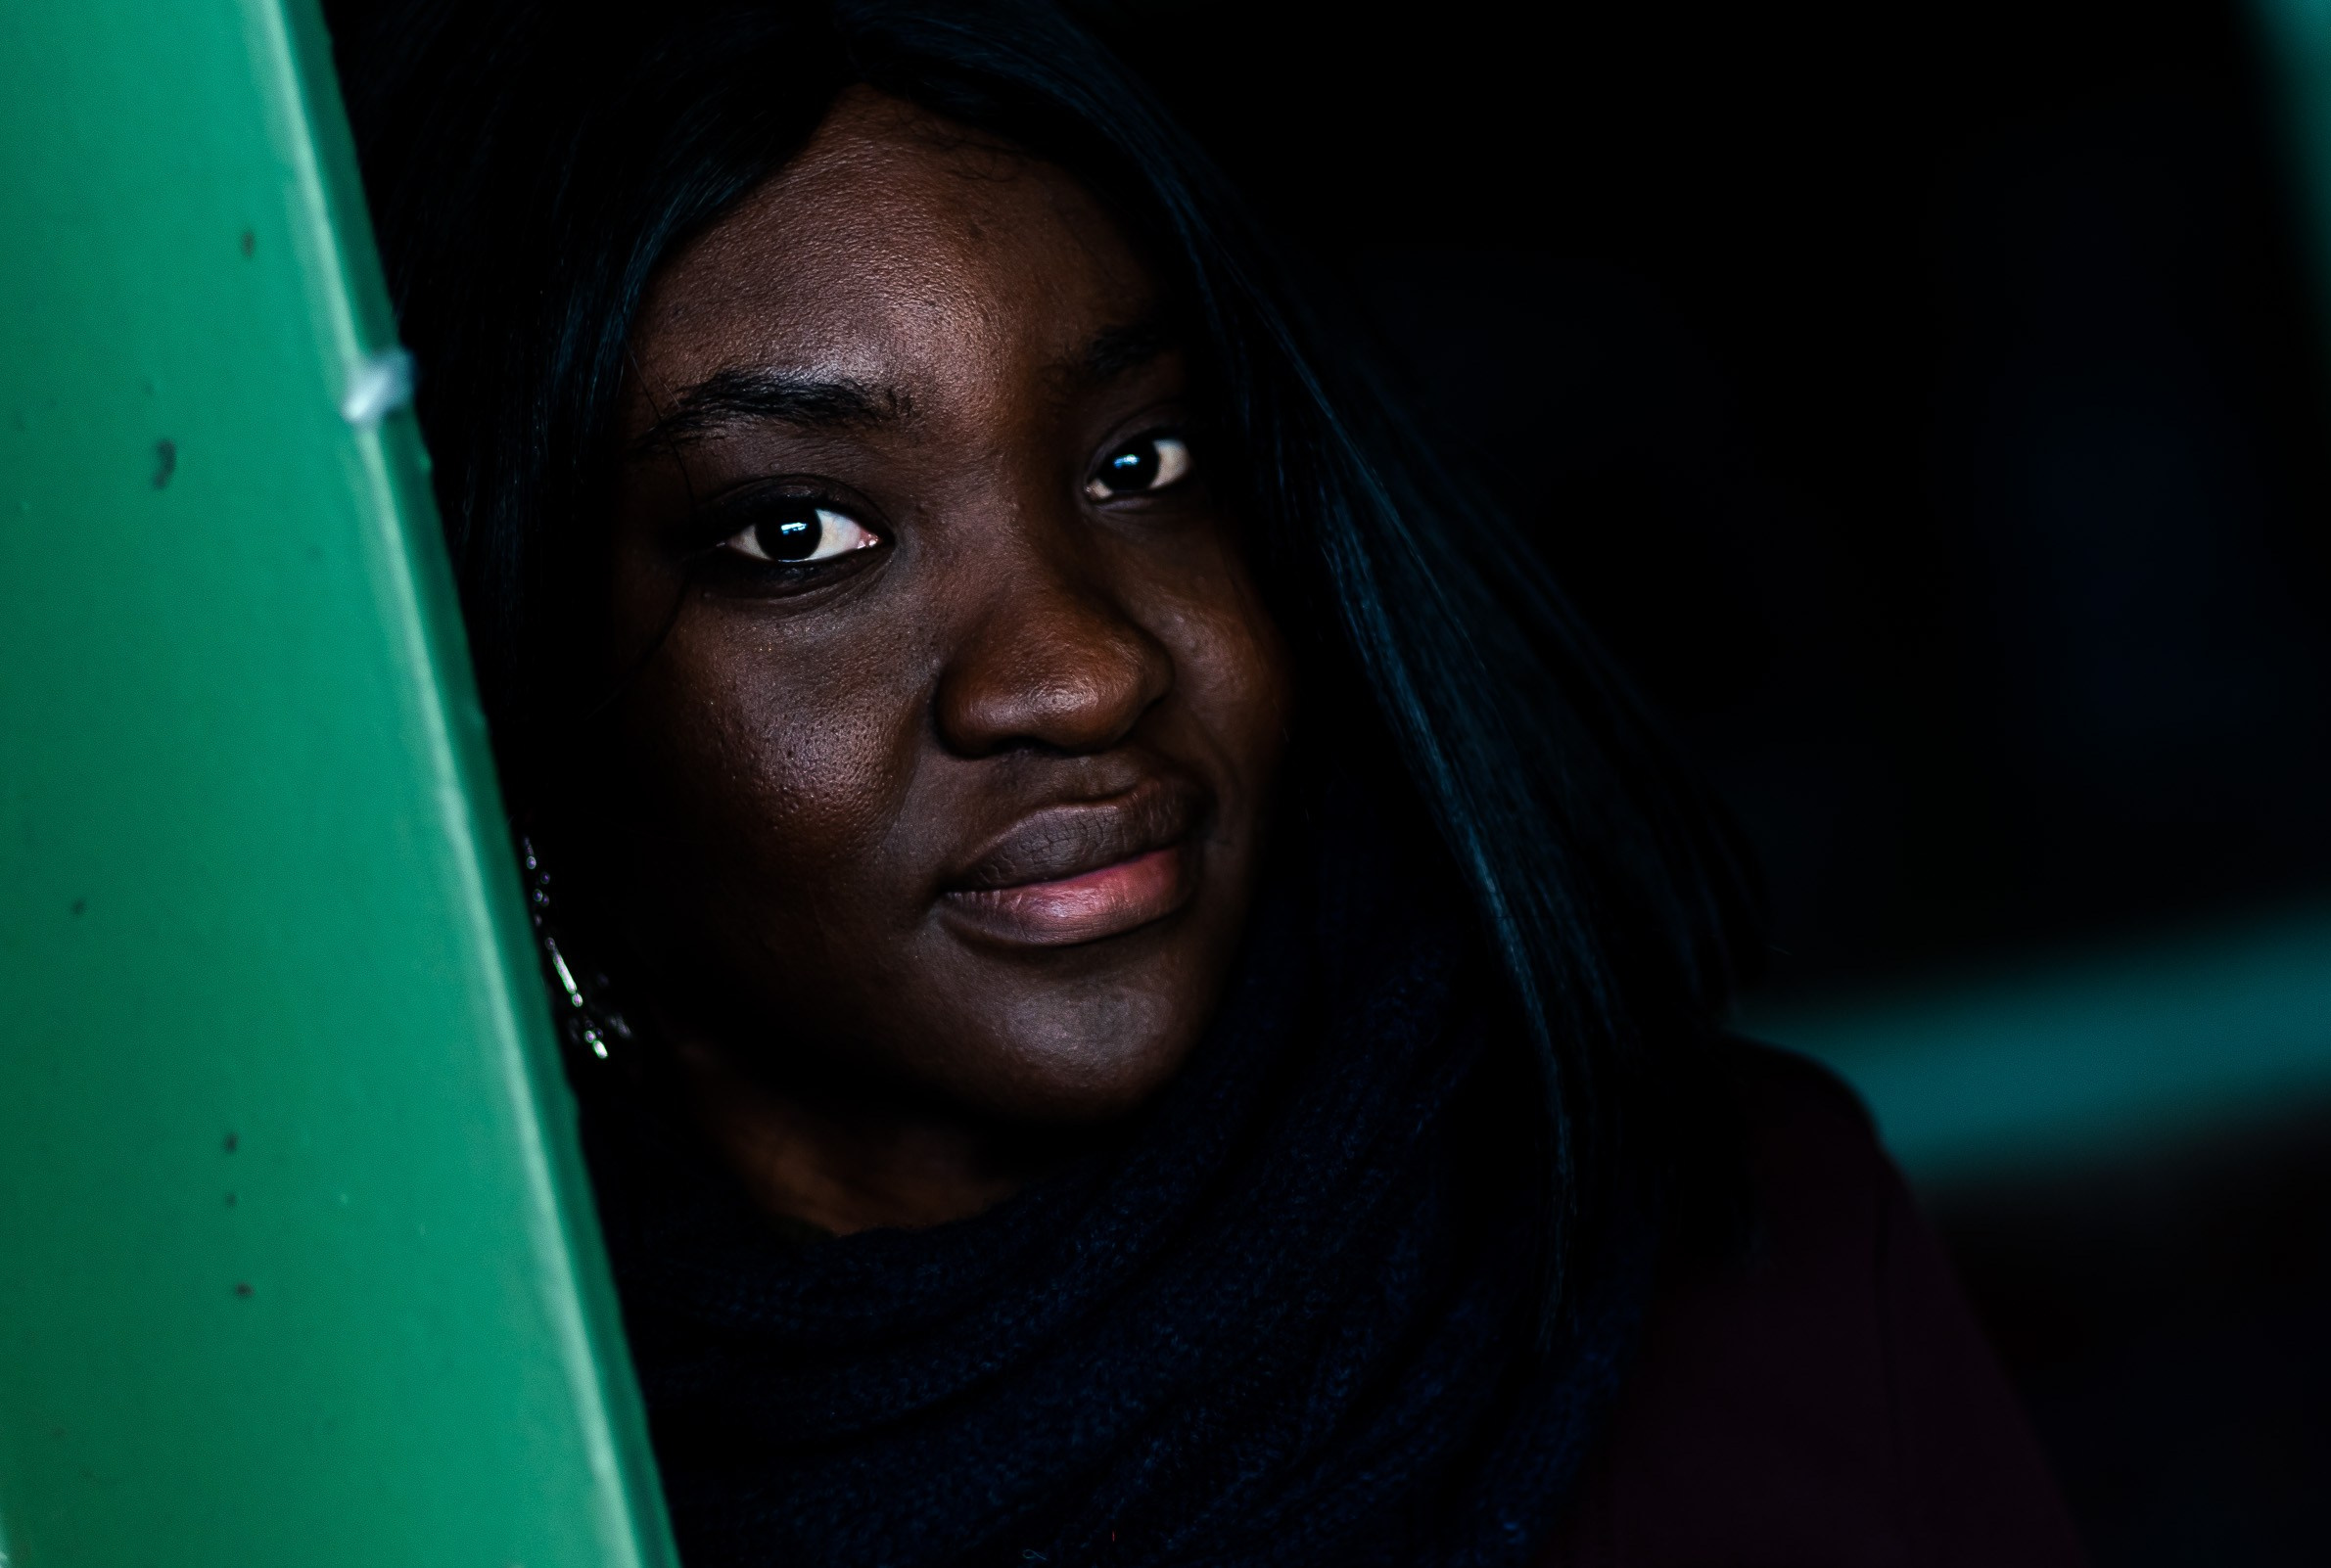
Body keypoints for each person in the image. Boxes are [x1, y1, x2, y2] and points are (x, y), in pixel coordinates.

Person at [328, 2, 2083, 1562]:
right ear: (498, 686)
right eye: (802, 532)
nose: (1083, 669)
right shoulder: (348, 1467)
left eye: (1138, 459)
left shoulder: (1737, 1288)